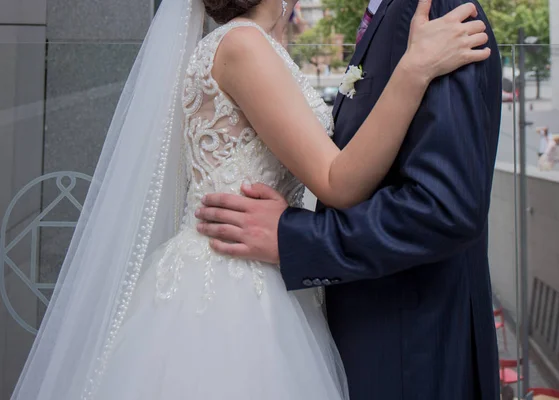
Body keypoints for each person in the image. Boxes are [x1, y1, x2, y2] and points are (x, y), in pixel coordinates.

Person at [11, 0, 489, 399]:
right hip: (230, 288)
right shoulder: (242, 46)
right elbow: (337, 181)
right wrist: (412, 70)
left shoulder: (258, 47)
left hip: (264, 272)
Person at [196, 0, 502, 398]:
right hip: (253, 296)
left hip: (412, 355)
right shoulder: (246, 45)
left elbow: (444, 206)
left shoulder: (432, 9)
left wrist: (294, 237)